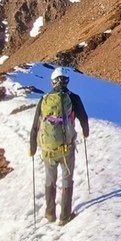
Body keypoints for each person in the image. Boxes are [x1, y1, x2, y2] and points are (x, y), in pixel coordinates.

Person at [29, 67, 90, 225]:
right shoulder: (74, 97)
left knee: (50, 180)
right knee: (67, 179)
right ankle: (65, 216)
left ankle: (50, 213)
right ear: (67, 81)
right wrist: (85, 133)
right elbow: (83, 118)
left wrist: (32, 147)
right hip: (67, 148)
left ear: (52, 81)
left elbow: (36, 125)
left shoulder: (44, 99)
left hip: (48, 149)